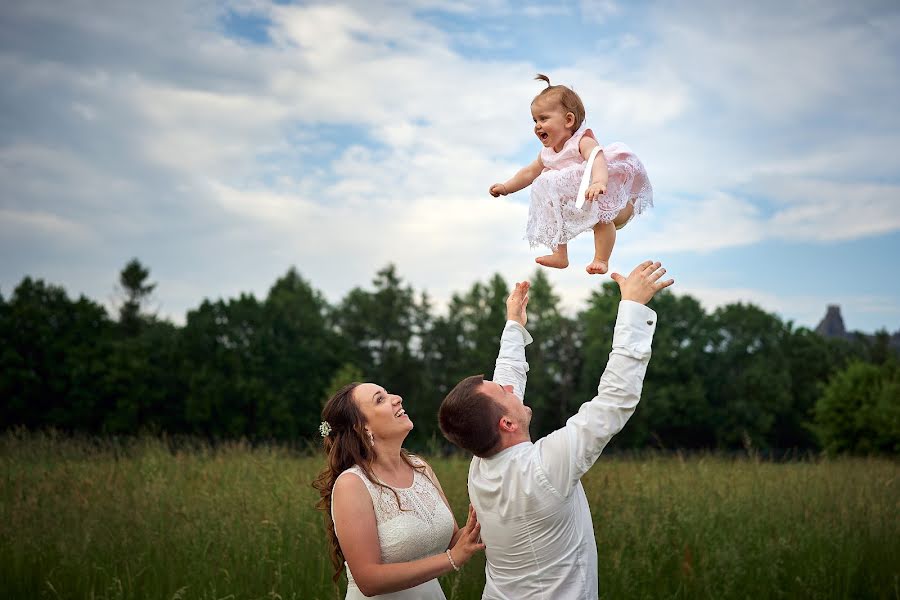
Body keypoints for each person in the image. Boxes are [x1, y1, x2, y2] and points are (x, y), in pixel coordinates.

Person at [439, 260, 673, 599]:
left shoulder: (480, 466)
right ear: (506, 423)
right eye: (501, 391)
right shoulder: (544, 467)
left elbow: (507, 382)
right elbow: (615, 398)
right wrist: (633, 308)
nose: (509, 388)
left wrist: (514, 326)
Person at [313, 382, 485, 599]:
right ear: (362, 427)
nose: (397, 398)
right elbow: (368, 580)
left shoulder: (420, 468)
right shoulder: (352, 484)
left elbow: (454, 541)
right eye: (380, 399)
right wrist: (452, 559)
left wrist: (489, 504)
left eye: (388, 392)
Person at [489, 74, 654, 275]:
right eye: (535, 120)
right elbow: (529, 172)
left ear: (568, 120)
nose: (537, 125)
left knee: (602, 221)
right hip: (575, 205)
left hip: (598, 196)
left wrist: (599, 182)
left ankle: (601, 259)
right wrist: (507, 187)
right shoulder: (547, 154)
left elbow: (597, 158)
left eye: (543, 118)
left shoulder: (581, 142)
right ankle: (560, 255)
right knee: (550, 208)